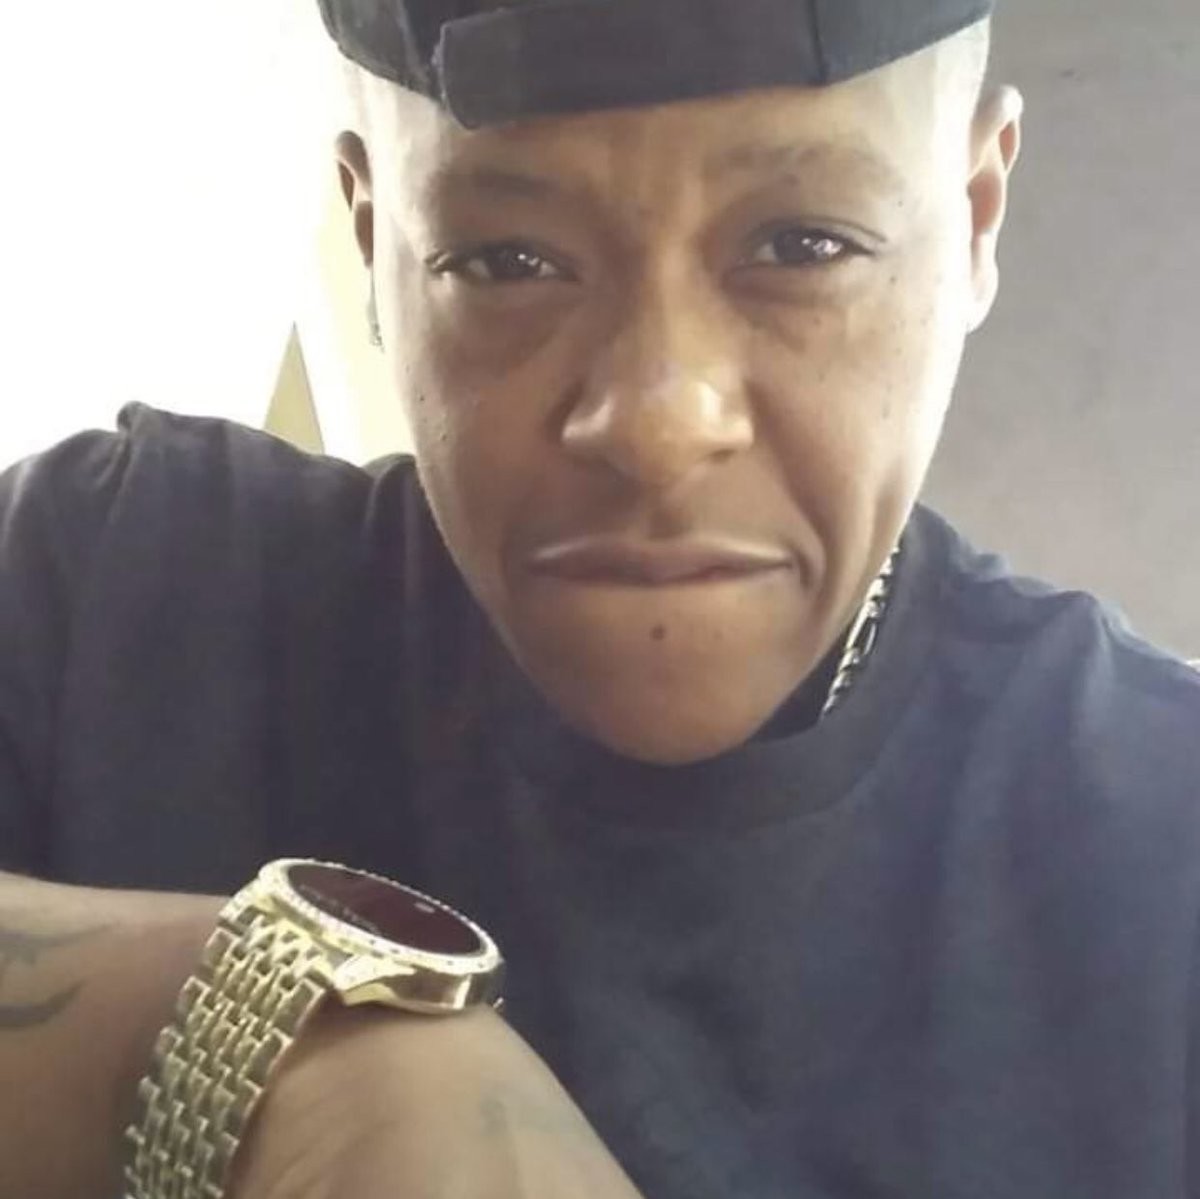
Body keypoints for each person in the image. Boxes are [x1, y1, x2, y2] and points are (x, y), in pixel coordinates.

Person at [2, 0, 1199, 1196]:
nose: (658, 424)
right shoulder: (112, 591)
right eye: (506, 261)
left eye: (802, 246)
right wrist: (295, 1045)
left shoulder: (1163, 843)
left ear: (976, 217)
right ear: (373, 241)